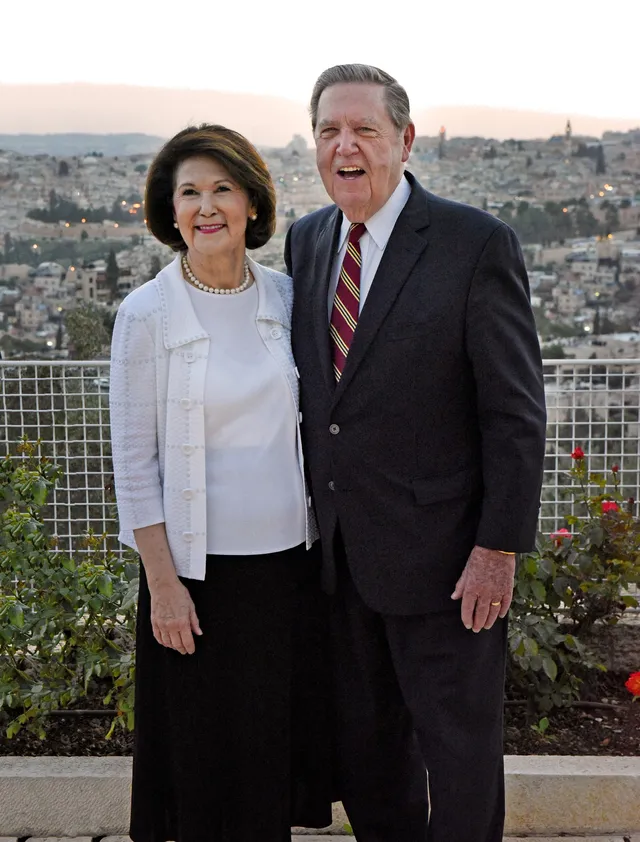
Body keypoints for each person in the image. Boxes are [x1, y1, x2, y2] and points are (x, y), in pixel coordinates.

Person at [285, 65, 547, 842]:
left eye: (364, 130)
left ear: (405, 139)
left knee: (459, 760)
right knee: (369, 763)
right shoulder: (307, 240)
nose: (345, 147)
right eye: (329, 131)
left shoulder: (474, 243)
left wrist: (497, 548)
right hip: (340, 565)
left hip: (448, 567)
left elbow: (514, 414)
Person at [109, 124, 332, 842]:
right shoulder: (146, 314)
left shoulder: (288, 297)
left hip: (284, 574)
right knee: (199, 769)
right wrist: (163, 585)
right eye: (190, 193)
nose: (207, 207)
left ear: (252, 203)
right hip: (194, 581)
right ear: (169, 211)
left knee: (268, 757)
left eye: (222, 189)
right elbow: (134, 463)